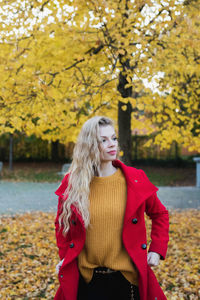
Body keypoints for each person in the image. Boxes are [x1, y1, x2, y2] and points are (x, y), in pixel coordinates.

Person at [54, 116, 169, 300]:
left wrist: (156, 249)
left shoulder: (135, 178)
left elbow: (160, 214)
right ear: (89, 145)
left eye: (114, 138)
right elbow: (62, 224)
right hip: (87, 282)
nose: (112, 144)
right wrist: (64, 256)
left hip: (126, 281)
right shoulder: (73, 184)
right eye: (104, 140)